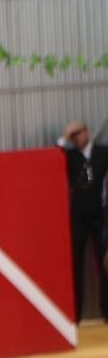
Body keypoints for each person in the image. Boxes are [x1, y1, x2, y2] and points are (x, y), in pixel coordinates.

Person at [60, 120, 107, 320]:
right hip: (77, 216)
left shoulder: (102, 152)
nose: (76, 137)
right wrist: (64, 137)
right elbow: (52, 154)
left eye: (79, 133)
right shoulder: (69, 156)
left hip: (100, 214)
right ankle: (75, 315)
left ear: (87, 131)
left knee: (105, 264)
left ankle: (106, 310)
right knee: (75, 265)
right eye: (73, 135)